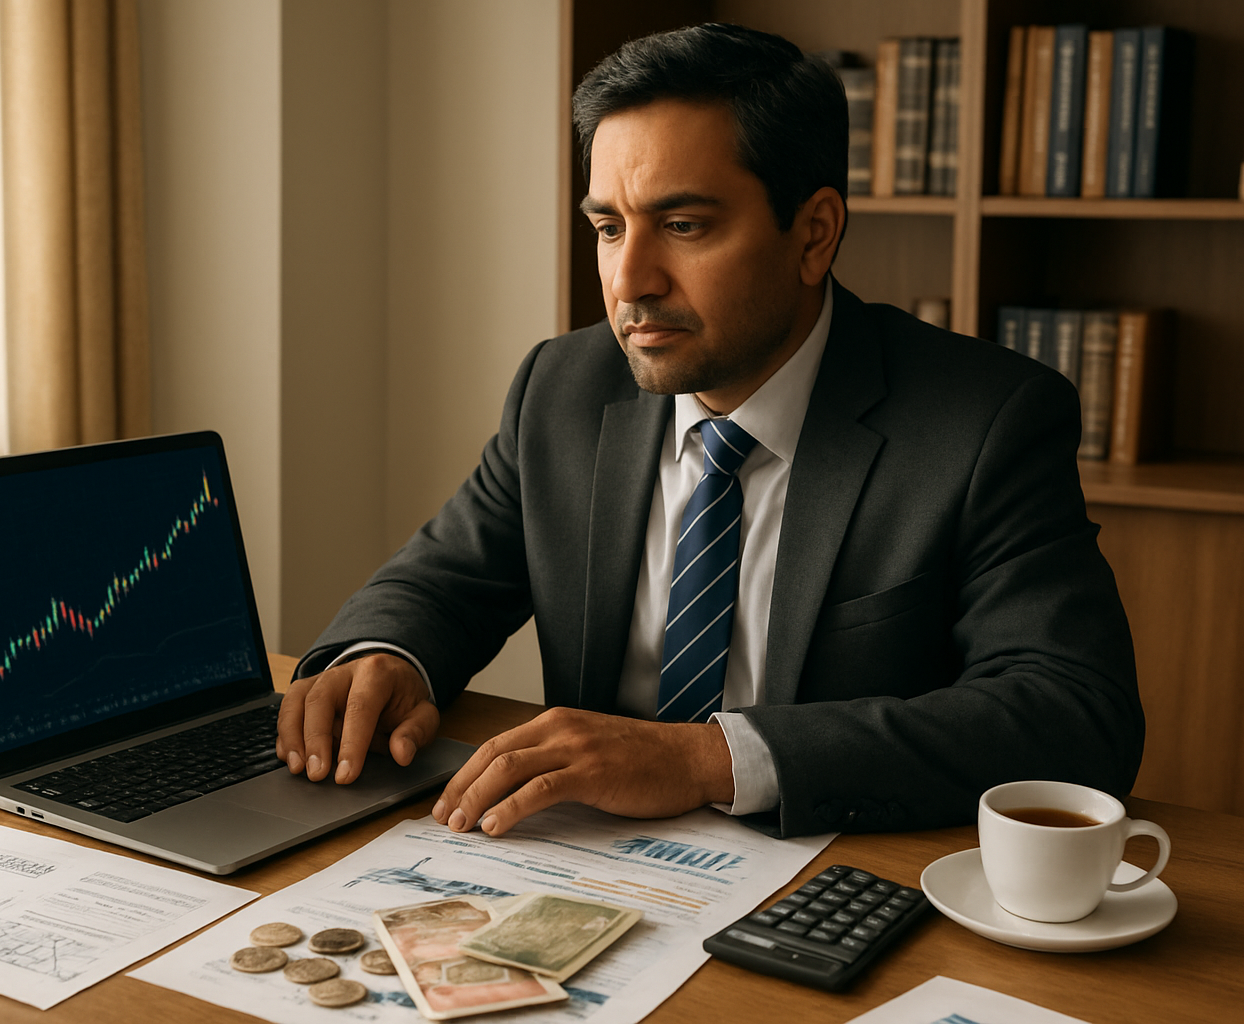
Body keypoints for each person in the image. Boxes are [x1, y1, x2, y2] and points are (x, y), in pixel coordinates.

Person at [275, 23, 1143, 839]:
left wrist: (705, 760)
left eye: (682, 226)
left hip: (837, 874)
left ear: (814, 235)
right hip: (585, 857)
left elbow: (1073, 713)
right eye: (608, 228)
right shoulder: (562, 389)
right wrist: (387, 655)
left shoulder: (985, 421)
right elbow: (446, 581)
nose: (630, 280)